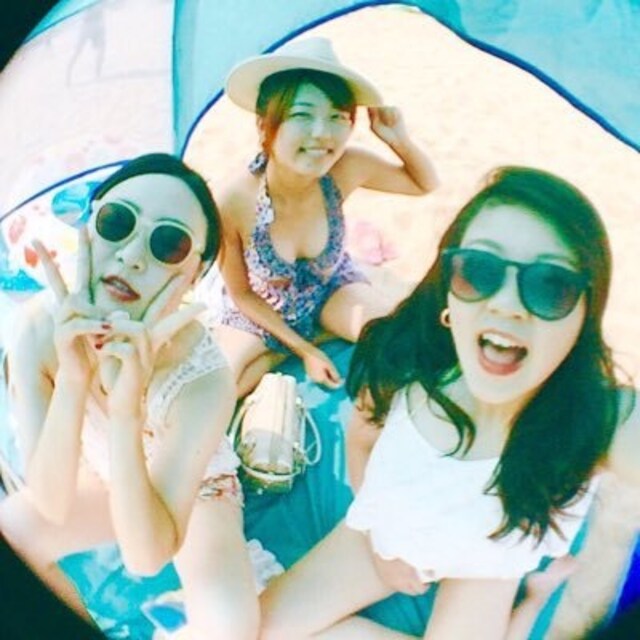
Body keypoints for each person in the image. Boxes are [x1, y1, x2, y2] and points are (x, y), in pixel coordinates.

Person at [258, 166, 640, 639]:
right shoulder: (408, 364)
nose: (506, 304)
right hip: (393, 531)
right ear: (448, 289)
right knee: (259, 632)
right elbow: (360, 438)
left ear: (585, 312)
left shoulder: (594, 420)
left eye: (550, 285)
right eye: (479, 271)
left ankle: (535, 593)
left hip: (488, 560)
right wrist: (379, 536)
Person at [0, 154, 273, 640]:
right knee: (13, 535)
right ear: (88, 228)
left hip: (196, 492)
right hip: (102, 475)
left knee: (230, 627)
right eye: (117, 222)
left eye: (169, 243)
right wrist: (74, 377)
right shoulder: (40, 328)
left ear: (194, 275)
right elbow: (50, 503)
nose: (131, 256)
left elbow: (148, 555)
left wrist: (126, 412)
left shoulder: (203, 378)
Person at [216, 36, 439, 396]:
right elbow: (242, 294)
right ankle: (296, 344)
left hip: (330, 291)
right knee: (218, 387)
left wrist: (397, 139)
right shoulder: (234, 200)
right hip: (261, 311)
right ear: (264, 124)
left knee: (400, 343)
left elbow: (423, 184)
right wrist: (305, 349)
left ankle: (314, 334)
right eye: (302, 115)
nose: (321, 134)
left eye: (337, 117)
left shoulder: (345, 169)